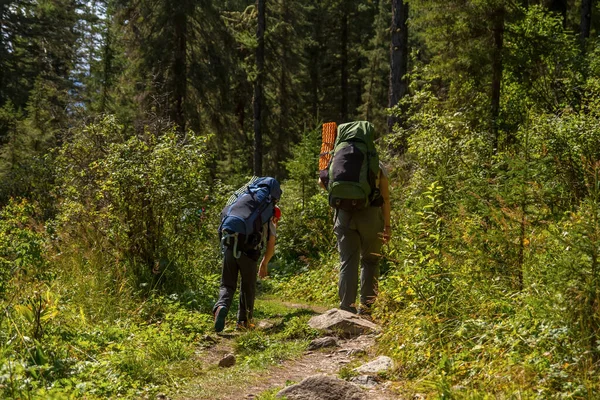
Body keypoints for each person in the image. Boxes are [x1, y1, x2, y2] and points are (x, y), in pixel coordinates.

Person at [319, 162, 391, 315]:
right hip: (370, 214)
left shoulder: (337, 159)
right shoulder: (375, 162)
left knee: (347, 261)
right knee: (371, 260)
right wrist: (387, 225)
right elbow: (385, 196)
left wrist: (344, 195)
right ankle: (366, 309)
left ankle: (346, 310)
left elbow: (321, 182)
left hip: (344, 215)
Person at [213, 202, 281, 333]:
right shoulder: (269, 218)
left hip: (230, 248)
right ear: (275, 216)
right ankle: (243, 322)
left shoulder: (245, 210)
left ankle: (221, 306)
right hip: (249, 253)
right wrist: (264, 263)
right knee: (247, 287)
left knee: (227, 284)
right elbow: (271, 245)